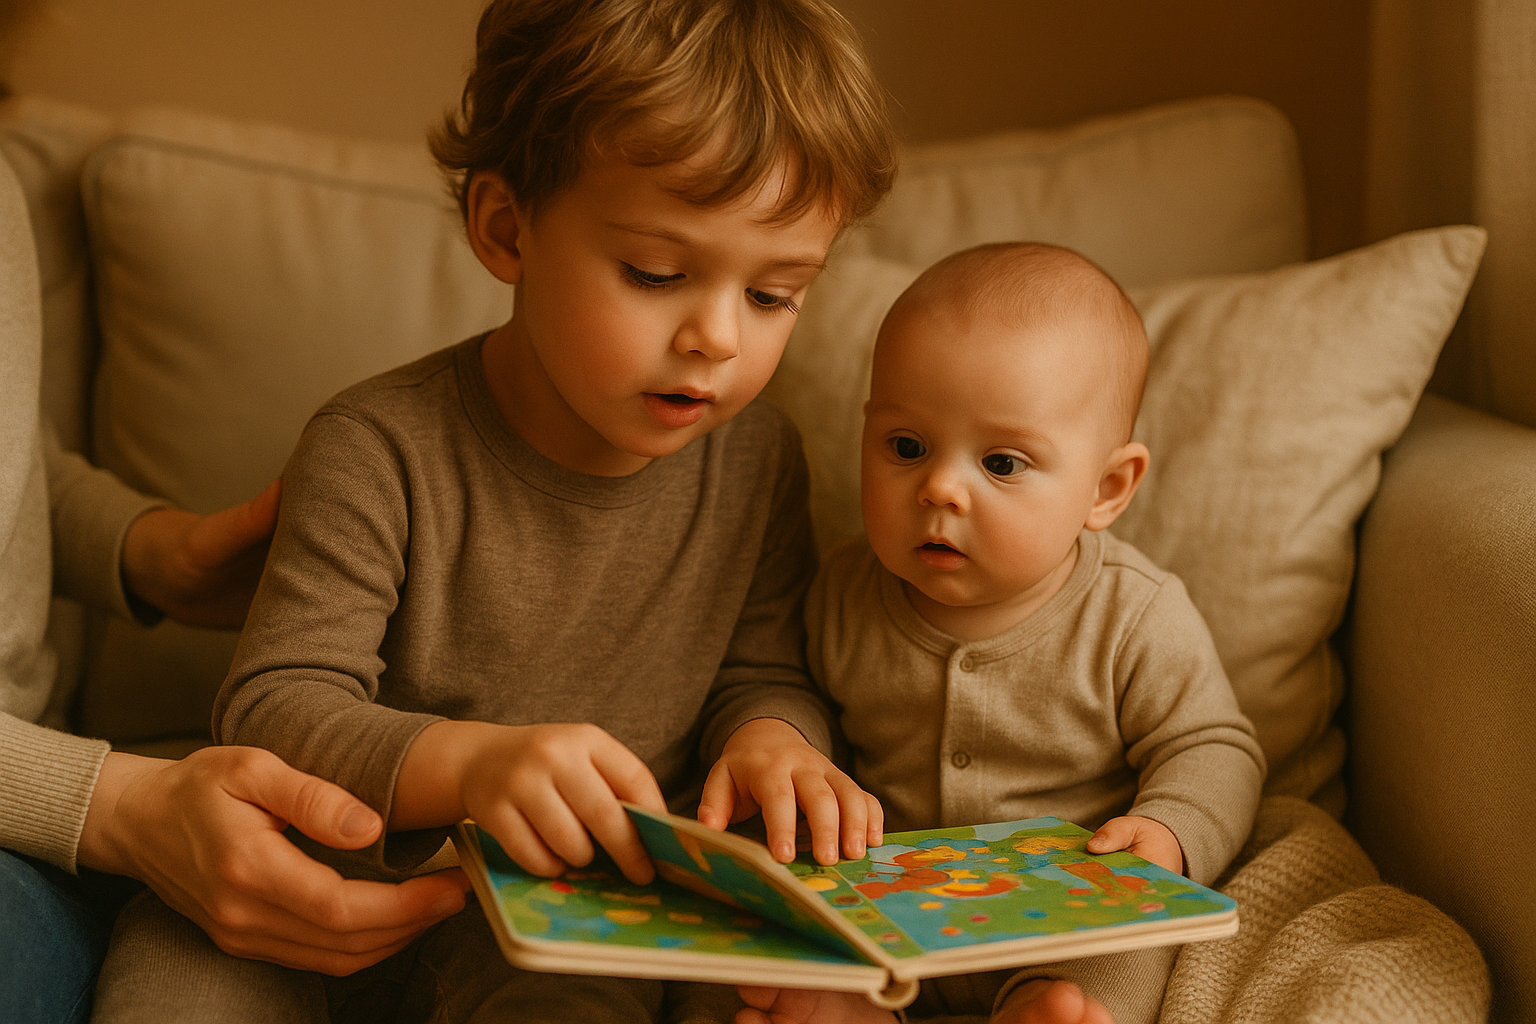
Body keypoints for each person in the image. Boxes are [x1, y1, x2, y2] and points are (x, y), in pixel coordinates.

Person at [90, 1, 898, 1021]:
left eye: (776, 295)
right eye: (657, 273)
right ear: (506, 228)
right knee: (173, 985)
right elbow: (274, 705)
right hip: (308, 888)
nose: (719, 338)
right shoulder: (375, 443)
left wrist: (776, 738)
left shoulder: (760, 461)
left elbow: (763, 667)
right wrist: (471, 765)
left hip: (568, 922)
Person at [738, 243, 1267, 1024]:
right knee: (790, 935)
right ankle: (851, 1008)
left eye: (1003, 462)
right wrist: (795, 750)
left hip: (1065, 910)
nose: (940, 487)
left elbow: (1214, 746)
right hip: (888, 905)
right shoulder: (845, 592)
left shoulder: (1133, 615)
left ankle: (1052, 1010)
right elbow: (796, 691)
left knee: (1121, 950)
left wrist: (1168, 833)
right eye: (906, 447)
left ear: (1107, 488)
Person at [0, 155, 470, 1024]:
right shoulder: (379, 435)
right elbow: (274, 706)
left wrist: (151, 554)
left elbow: (14, 447)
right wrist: (111, 806)